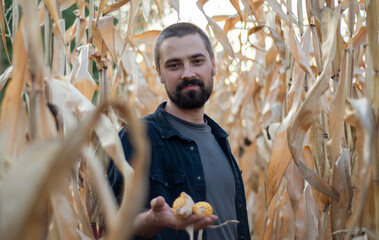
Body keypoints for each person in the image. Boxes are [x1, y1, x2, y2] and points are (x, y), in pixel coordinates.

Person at [107, 22, 250, 240]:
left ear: (213, 65)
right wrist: (152, 220)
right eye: (174, 65)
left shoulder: (219, 139)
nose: (187, 73)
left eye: (197, 61)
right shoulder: (137, 138)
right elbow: (114, 224)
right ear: (160, 74)